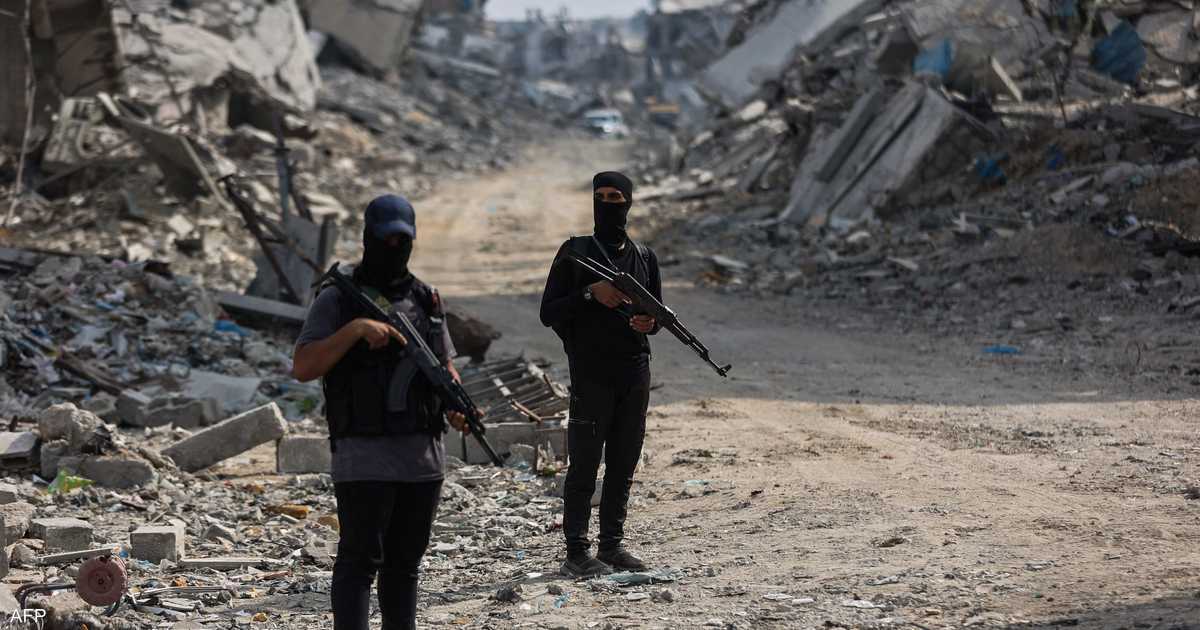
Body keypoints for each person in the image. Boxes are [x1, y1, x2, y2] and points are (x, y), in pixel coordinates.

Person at [291, 194, 469, 630]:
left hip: (422, 460)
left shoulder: (426, 299)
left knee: (404, 566)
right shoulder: (338, 299)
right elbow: (304, 366)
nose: (393, 247)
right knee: (359, 562)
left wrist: (457, 404)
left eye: (401, 240)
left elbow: (444, 365)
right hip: (362, 455)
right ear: (367, 238)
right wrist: (355, 330)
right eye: (385, 239)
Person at [539, 171, 662, 577]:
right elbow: (549, 312)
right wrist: (592, 293)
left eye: (616, 197)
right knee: (585, 465)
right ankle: (577, 551)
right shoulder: (574, 253)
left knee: (624, 462)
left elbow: (655, 315)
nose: (608, 204)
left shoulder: (644, 257)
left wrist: (648, 323)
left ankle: (611, 545)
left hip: (634, 371)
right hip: (591, 373)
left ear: (629, 203)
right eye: (601, 196)